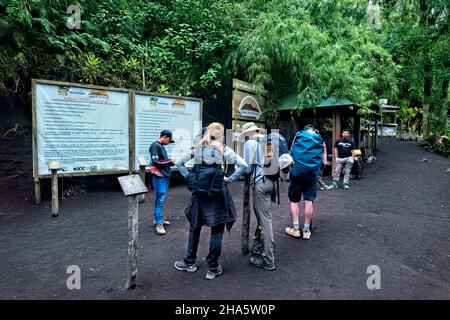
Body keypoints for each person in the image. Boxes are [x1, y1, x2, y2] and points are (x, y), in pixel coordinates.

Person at [174, 123, 247, 280]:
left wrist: (189, 178)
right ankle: (212, 268)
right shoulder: (223, 150)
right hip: (217, 194)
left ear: (207, 132)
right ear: (221, 135)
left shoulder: (198, 148)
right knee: (217, 229)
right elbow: (243, 165)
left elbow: (179, 163)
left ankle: (189, 262)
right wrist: (229, 179)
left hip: (198, 195)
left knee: (195, 226)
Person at [242, 122, 277, 271]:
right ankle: (257, 248)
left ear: (247, 133)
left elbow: (248, 168)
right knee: (263, 218)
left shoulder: (250, 143)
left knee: (265, 221)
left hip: (260, 184)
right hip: (272, 183)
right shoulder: (269, 140)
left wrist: (238, 170)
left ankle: (268, 260)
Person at [285, 125, 326, 240]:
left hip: (297, 173)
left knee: (294, 201)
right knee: (309, 202)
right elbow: (324, 161)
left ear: (304, 130)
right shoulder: (320, 140)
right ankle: (307, 231)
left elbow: (291, 152)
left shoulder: (298, 136)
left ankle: (296, 229)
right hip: (312, 174)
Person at [149, 130, 176, 235]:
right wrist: (170, 161)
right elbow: (155, 162)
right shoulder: (155, 145)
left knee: (160, 199)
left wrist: (168, 162)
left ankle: (157, 219)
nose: (169, 142)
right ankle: (159, 224)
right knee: (160, 200)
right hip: (160, 177)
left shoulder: (160, 146)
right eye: (169, 140)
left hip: (163, 176)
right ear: (165, 137)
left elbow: (161, 161)